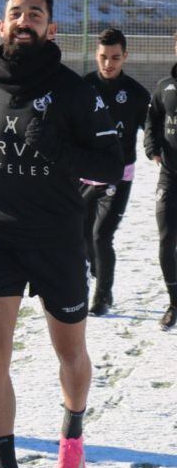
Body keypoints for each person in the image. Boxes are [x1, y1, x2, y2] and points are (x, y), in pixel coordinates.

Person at [0, 0, 123, 468]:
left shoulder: (77, 92)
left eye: (34, 14)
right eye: (15, 13)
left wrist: (56, 148)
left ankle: (73, 429)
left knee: (70, 353)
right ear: (1, 26)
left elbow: (110, 166)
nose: (23, 20)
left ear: (51, 29)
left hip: (57, 238)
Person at [79, 28, 149, 316]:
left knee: (100, 236)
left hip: (118, 177)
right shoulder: (81, 88)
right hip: (83, 175)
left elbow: (153, 128)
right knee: (83, 236)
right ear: (96, 55)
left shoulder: (134, 93)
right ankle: (97, 269)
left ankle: (102, 296)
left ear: (125, 57)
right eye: (103, 57)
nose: (109, 64)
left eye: (115, 58)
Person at [144, 31, 177, 332]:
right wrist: (151, 146)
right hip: (170, 176)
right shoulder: (164, 87)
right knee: (167, 238)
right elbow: (152, 119)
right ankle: (174, 302)